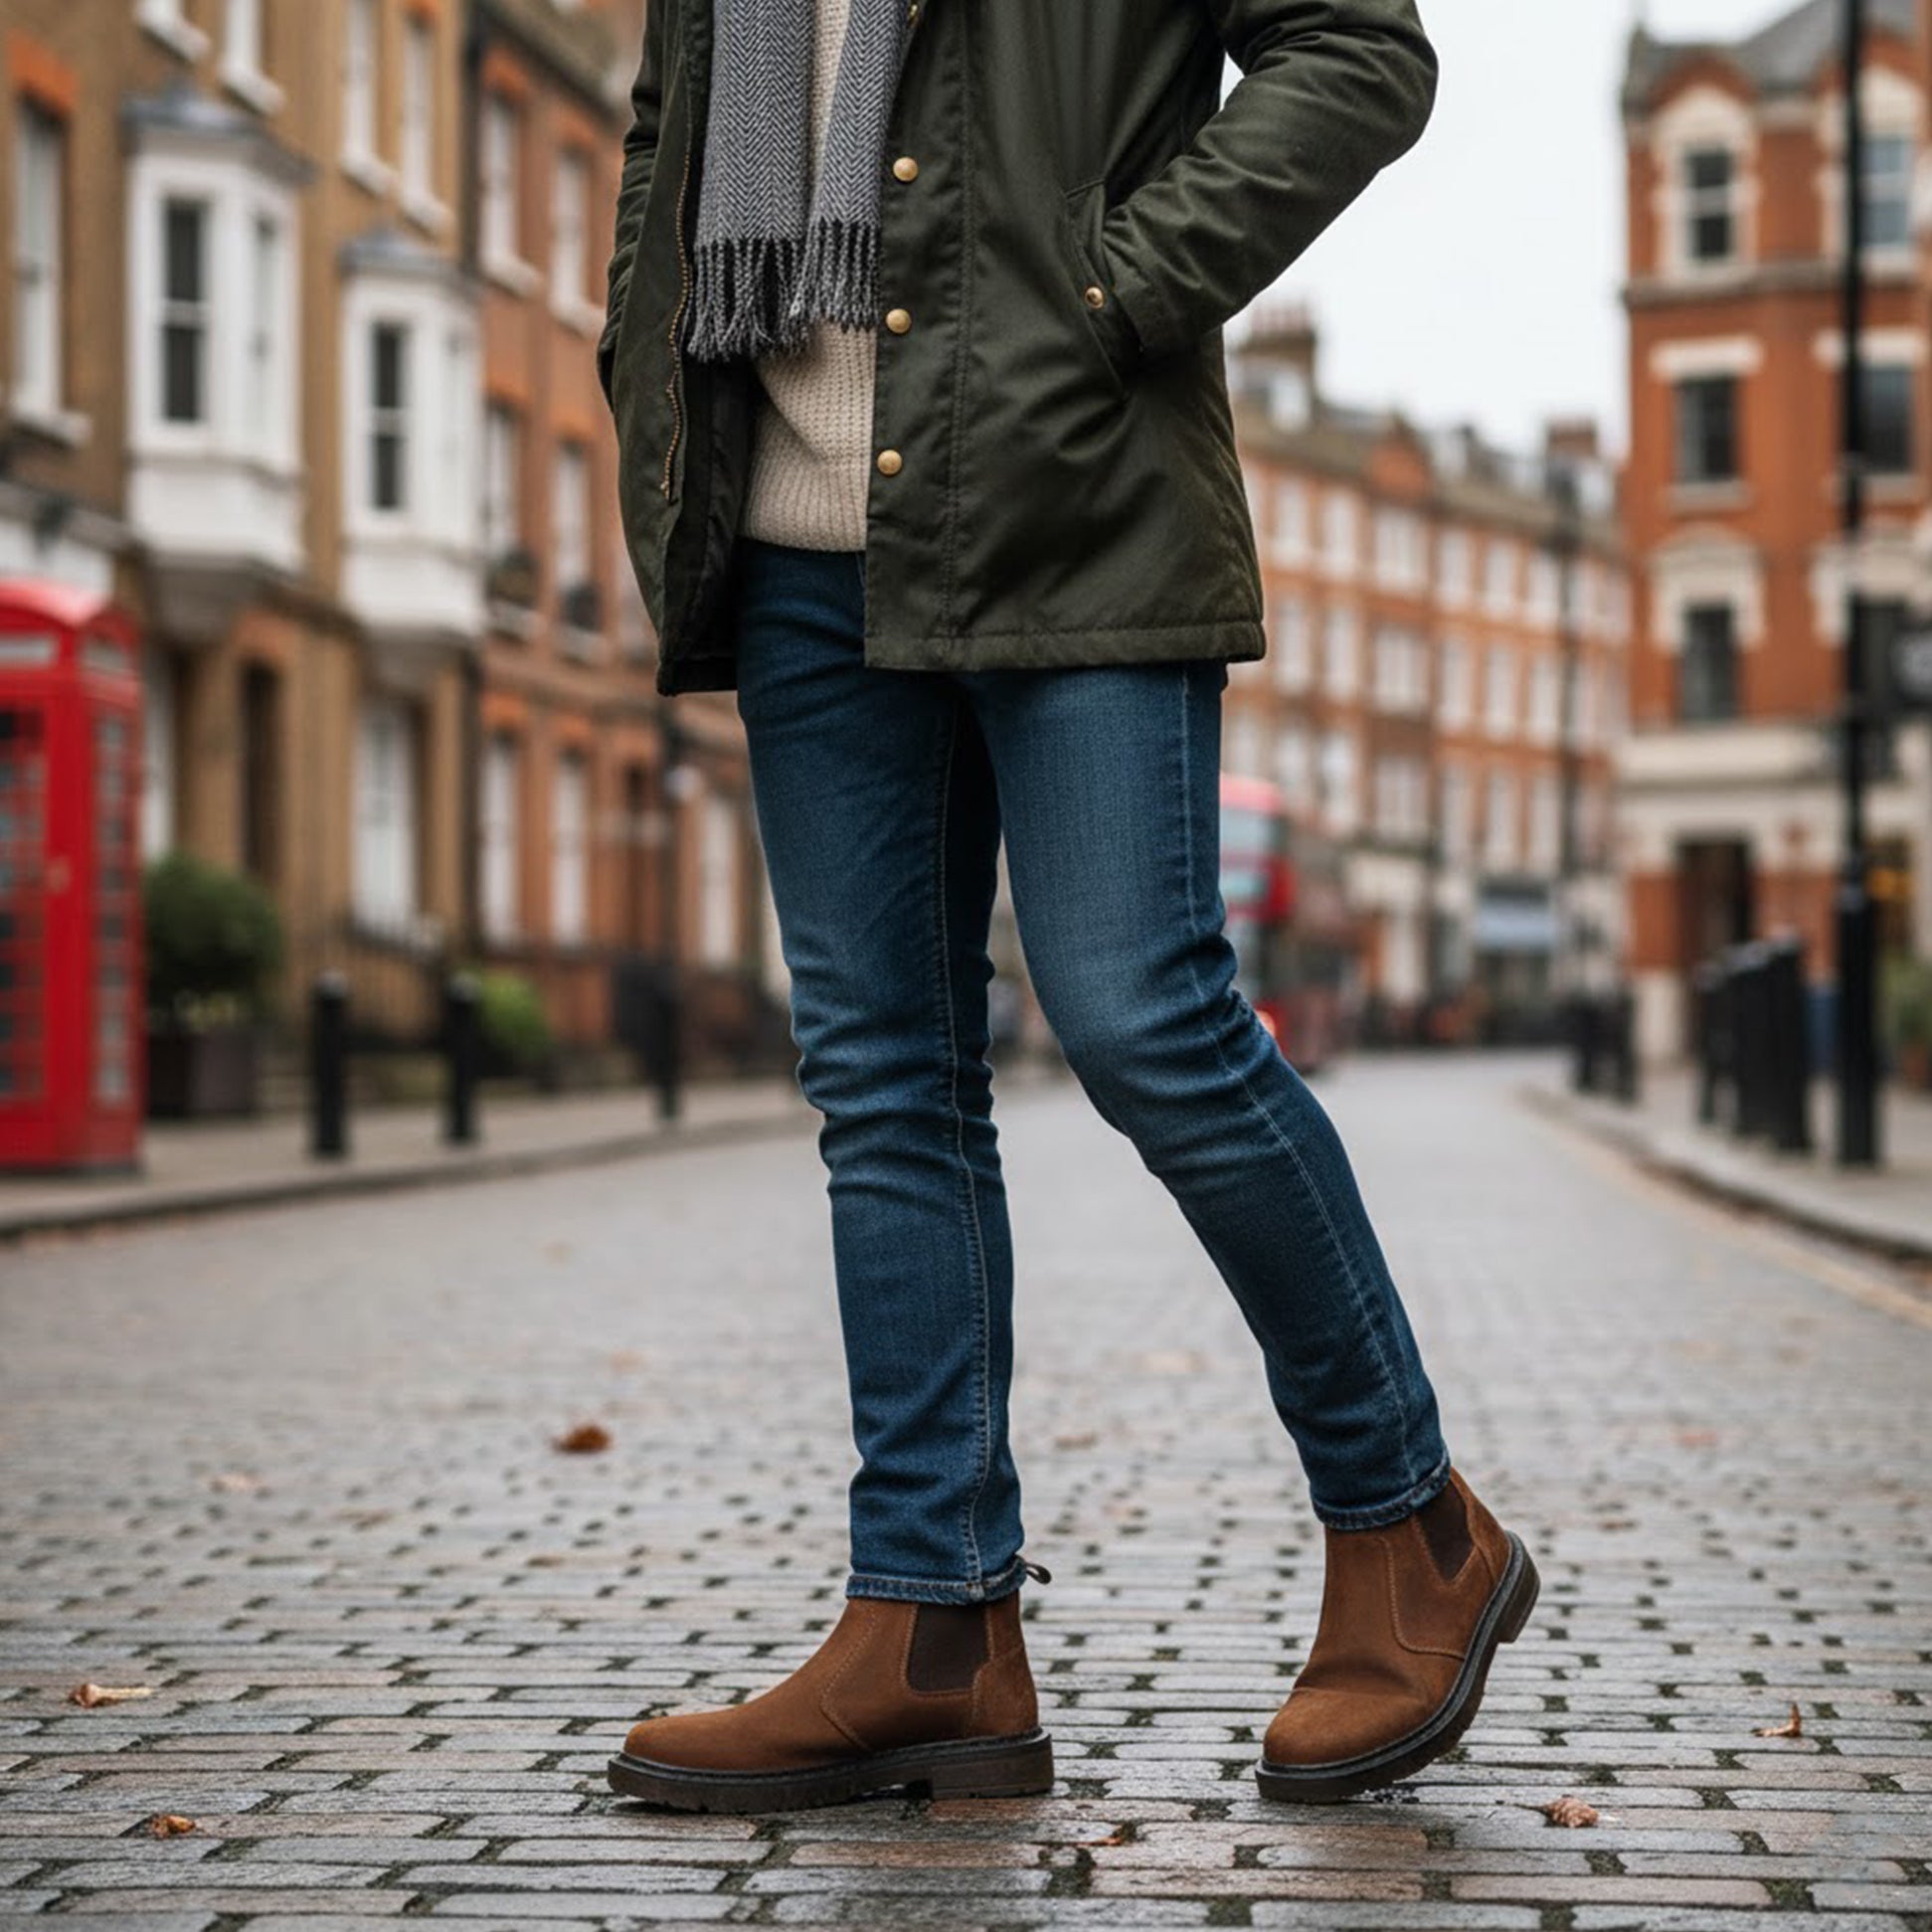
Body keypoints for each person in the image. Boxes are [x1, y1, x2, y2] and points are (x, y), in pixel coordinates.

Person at [598, 0, 1537, 1815]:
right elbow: (676, 115)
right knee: (887, 1085)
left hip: (1071, 479)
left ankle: (1410, 1531)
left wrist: (1112, 289)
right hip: (793, 531)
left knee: (1145, 1017)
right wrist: (644, 349)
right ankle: (933, 1629)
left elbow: (1357, 49)